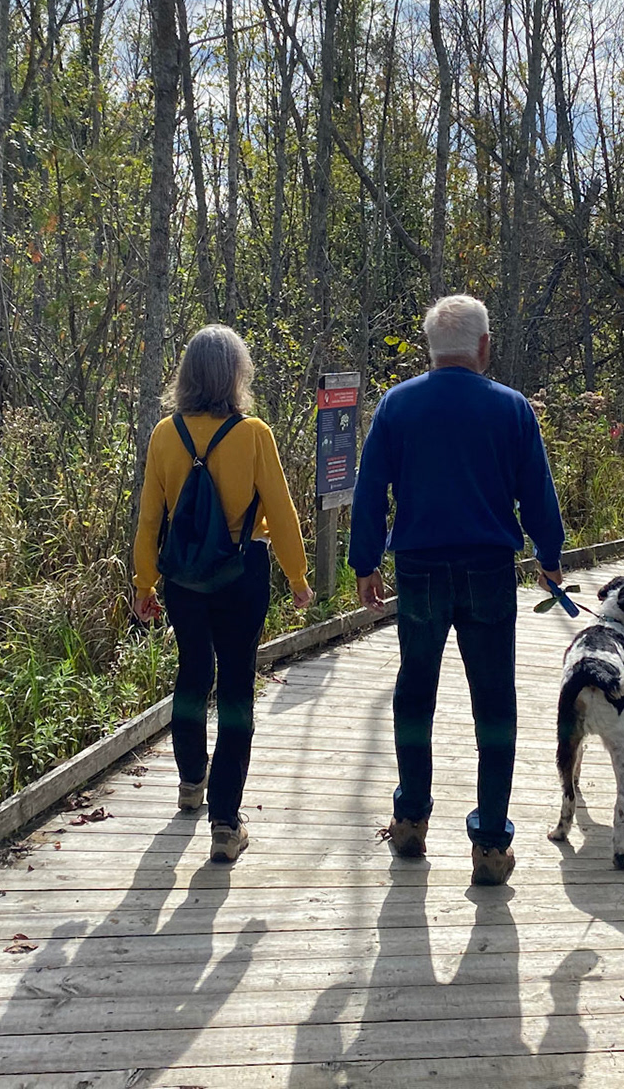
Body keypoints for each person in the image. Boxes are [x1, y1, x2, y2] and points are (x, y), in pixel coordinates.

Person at [349, 294, 564, 887]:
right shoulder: (512, 409)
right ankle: (491, 843)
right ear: (484, 347)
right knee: (494, 701)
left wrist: (364, 562)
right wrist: (549, 555)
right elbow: (538, 494)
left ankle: (411, 819)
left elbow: (370, 492)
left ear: (431, 349)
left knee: (415, 692)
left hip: (418, 570)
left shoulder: (398, 406)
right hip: (489, 570)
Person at [133, 325, 313, 864]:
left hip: (183, 578)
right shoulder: (253, 433)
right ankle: (225, 822)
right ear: (237, 375)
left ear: (186, 375)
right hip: (242, 574)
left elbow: (149, 519)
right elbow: (280, 514)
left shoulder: (166, 434)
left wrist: (144, 583)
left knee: (192, 673)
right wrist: (299, 578)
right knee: (235, 687)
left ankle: (191, 783)